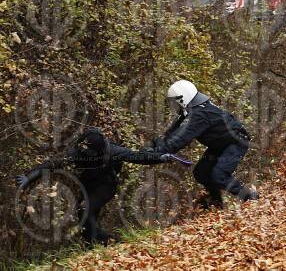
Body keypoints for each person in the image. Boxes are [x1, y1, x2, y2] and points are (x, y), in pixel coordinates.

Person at [16, 128, 174, 245]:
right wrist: (29, 177)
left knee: (85, 211)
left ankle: (113, 242)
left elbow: (138, 156)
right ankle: (100, 245)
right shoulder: (78, 151)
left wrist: (160, 157)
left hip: (106, 186)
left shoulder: (112, 151)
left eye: (91, 153)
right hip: (88, 186)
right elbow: (52, 163)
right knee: (85, 223)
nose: (87, 155)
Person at [147, 80, 258, 208]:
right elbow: (171, 133)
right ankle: (216, 202)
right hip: (220, 144)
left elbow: (179, 140)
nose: (173, 106)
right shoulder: (193, 110)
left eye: (174, 102)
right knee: (200, 172)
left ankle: (251, 198)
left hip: (236, 142)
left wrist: (158, 152)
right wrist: (153, 145)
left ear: (183, 99)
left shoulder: (199, 115)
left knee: (219, 175)